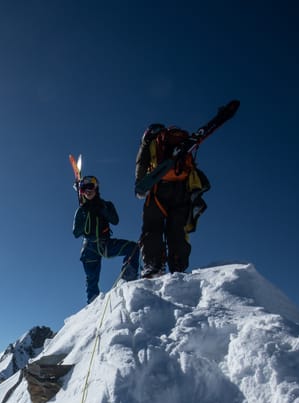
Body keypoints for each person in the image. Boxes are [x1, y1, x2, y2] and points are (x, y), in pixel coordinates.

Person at [135, 124, 208, 278]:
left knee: (152, 226)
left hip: (159, 189)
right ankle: (178, 266)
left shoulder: (149, 142)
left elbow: (141, 163)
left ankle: (154, 265)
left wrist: (140, 185)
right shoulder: (182, 143)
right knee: (177, 229)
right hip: (183, 190)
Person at [71, 175, 139, 303]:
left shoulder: (106, 205)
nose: (88, 191)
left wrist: (101, 209)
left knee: (133, 248)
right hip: (89, 248)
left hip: (105, 244)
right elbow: (76, 233)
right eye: (84, 188)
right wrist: (85, 213)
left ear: (96, 187)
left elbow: (115, 220)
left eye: (90, 186)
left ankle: (127, 278)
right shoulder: (81, 211)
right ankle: (93, 304)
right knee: (91, 279)